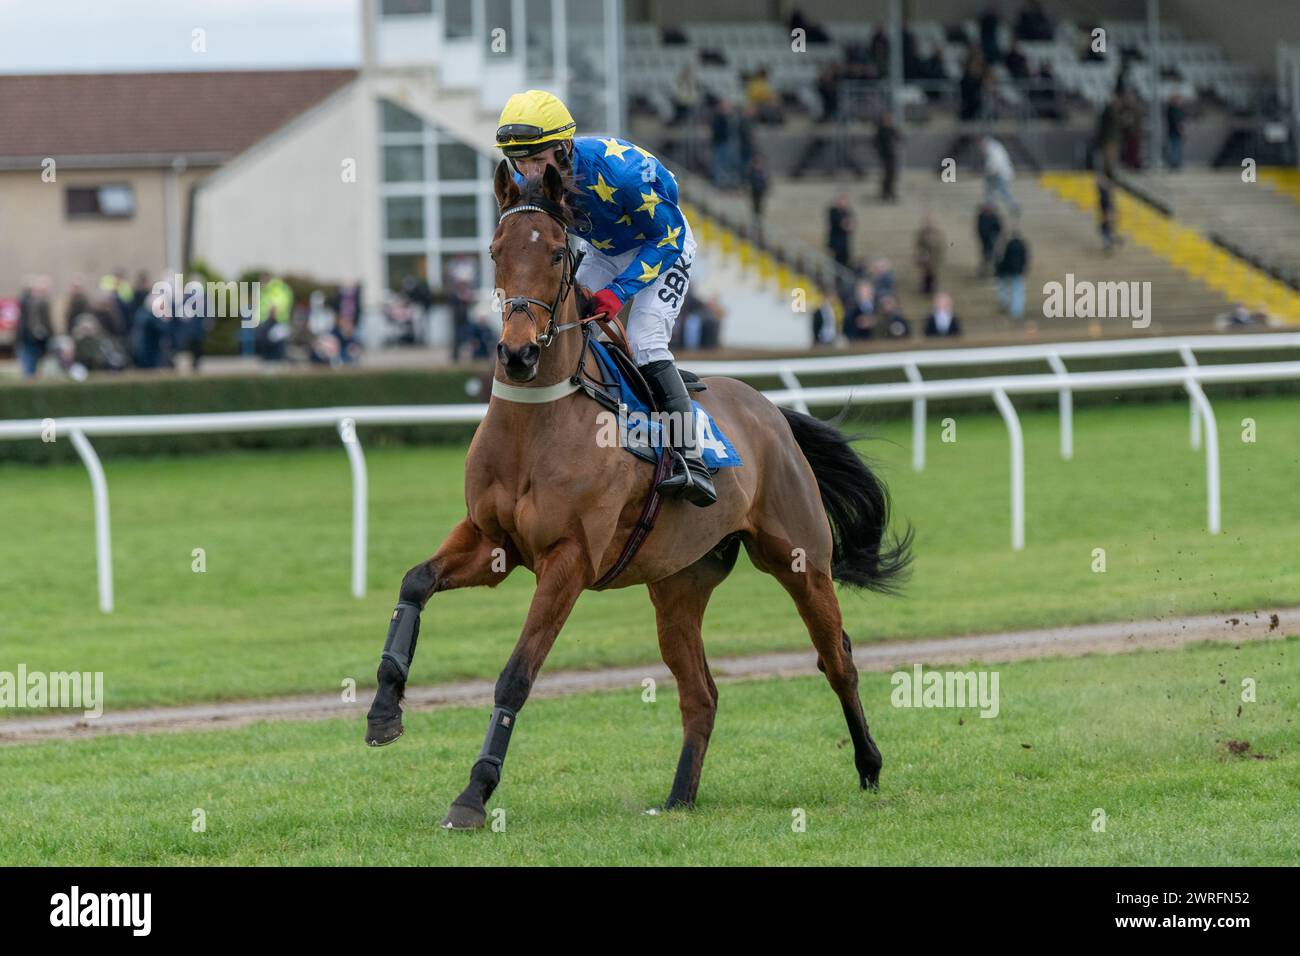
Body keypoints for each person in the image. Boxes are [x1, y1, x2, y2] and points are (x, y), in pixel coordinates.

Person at [495, 89, 715, 505]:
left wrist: (618, 292)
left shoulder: (621, 175)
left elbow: (668, 237)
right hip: (603, 249)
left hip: (662, 245)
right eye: (518, 162)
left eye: (535, 159)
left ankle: (692, 460)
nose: (527, 172)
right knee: (567, 329)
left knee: (647, 341)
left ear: (562, 149)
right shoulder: (533, 181)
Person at [16, 278, 53, 378]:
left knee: (35, 360)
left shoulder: (40, 302)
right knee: (30, 361)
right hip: (31, 337)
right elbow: (34, 321)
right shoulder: (32, 302)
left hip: (35, 337)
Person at [995, 226, 1029, 320]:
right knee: (1018, 291)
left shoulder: (1009, 245)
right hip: (1018, 271)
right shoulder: (1022, 245)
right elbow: (1025, 258)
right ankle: (1017, 311)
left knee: (1011, 291)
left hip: (1010, 271)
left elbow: (1005, 259)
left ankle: (1010, 308)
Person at [981, 135, 1019, 214]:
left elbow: (995, 163)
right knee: (992, 190)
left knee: (1002, 192)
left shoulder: (993, 149)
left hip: (1000, 174)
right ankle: (991, 206)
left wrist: (988, 171)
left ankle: (1013, 206)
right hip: (999, 174)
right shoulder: (995, 147)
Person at [914, 214, 946, 295]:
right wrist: (919, 255)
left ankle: (932, 289)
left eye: (931, 222)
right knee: (925, 274)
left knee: (933, 274)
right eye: (928, 222)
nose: (929, 224)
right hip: (925, 257)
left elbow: (940, 245)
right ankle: (925, 289)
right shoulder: (922, 232)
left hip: (934, 258)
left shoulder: (937, 233)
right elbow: (918, 244)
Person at [875, 112, 901, 202]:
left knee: (891, 174)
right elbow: (876, 142)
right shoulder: (881, 130)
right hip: (884, 155)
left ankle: (890, 191)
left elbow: (898, 137)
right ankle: (885, 192)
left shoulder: (891, 129)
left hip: (891, 155)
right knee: (886, 174)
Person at [827, 192, 854, 267]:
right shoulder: (833, 211)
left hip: (844, 244)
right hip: (835, 244)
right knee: (836, 264)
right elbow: (842, 224)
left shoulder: (847, 212)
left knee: (845, 263)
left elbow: (851, 226)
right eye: (842, 201)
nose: (844, 203)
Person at [976, 202, 1003, 277]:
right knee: (985, 258)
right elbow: (980, 230)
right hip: (985, 241)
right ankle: (983, 274)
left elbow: (999, 228)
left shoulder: (994, 217)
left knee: (996, 258)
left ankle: (997, 272)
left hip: (993, 241)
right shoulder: (981, 217)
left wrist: (995, 237)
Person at [1165, 94, 1186, 170]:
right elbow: (1176, 121)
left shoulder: (1177, 109)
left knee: (1177, 148)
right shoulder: (1173, 109)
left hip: (1176, 132)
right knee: (1175, 148)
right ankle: (1174, 163)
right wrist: (1180, 129)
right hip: (1174, 132)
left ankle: (1176, 163)